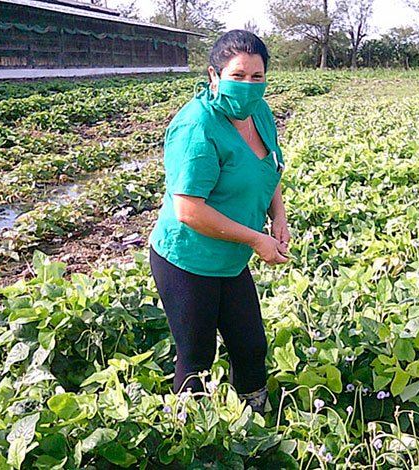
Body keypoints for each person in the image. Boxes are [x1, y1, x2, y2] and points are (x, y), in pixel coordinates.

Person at [148, 30, 290, 414]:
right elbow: (188, 210)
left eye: (257, 77)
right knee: (196, 358)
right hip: (187, 258)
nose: (248, 85)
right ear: (214, 76)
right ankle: (190, 437)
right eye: (237, 75)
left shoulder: (258, 112)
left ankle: (255, 425)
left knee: (251, 345)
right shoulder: (197, 127)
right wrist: (256, 239)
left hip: (230, 256)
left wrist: (278, 214)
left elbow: (269, 166)